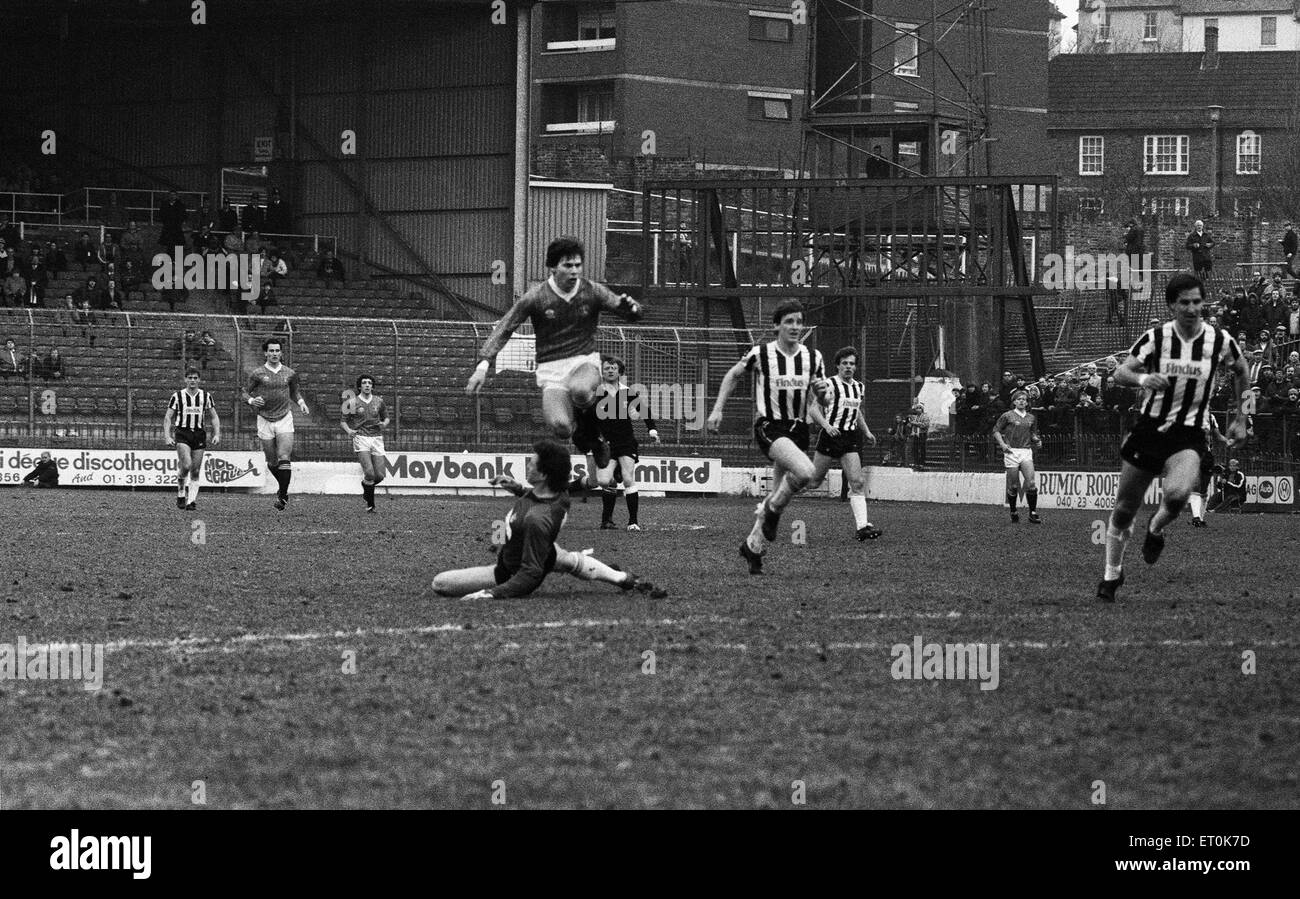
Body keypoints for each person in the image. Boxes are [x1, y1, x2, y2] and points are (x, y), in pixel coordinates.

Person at [1096, 273, 1249, 603]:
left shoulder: (1220, 341)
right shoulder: (1157, 337)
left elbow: (1243, 371)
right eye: (1185, 303)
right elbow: (1120, 372)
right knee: (1123, 510)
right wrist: (1144, 379)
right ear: (1171, 306)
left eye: (1197, 301)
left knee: (1178, 495)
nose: (1193, 308)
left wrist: (1241, 416)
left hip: (1189, 433)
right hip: (1149, 429)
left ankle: (1155, 527)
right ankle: (1112, 573)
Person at [466, 236, 643, 450]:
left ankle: (593, 428)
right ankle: (586, 436)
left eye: (578, 265)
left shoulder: (592, 290)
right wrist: (483, 365)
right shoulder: (536, 297)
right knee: (561, 429)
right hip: (551, 369)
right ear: (552, 268)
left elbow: (626, 310)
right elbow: (505, 327)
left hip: (583, 361)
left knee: (579, 389)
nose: (574, 271)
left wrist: (633, 308)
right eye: (568, 265)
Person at [431, 439, 666, 600]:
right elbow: (550, 494)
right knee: (562, 558)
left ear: (543, 474)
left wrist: (493, 593)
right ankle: (623, 578)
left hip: (510, 570)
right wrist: (516, 488)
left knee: (440, 584)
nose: (528, 465)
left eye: (531, 463)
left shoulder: (538, 520)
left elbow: (530, 575)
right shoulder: (556, 492)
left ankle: (620, 577)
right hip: (542, 550)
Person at [707, 300, 828, 575]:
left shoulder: (813, 357)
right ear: (777, 326)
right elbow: (732, 375)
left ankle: (753, 547)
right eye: (789, 321)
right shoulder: (761, 353)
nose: (795, 327)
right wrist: (717, 410)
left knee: (779, 494)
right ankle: (770, 511)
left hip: (798, 430)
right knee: (807, 473)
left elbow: (823, 398)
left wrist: (824, 394)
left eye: (799, 321)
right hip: (770, 427)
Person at [805, 346, 882, 540]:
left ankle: (862, 527)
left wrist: (866, 431)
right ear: (838, 365)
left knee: (857, 482)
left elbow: (856, 412)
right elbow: (814, 410)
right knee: (814, 483)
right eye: (845, 363)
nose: (848, 367)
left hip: (850, 438)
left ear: (856, 367)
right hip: (831, 436)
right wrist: (826, 425)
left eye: (852, 364)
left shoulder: (859, 387)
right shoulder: (829, 385)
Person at [589, 355, 659, 530]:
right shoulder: (595, 393)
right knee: (605, 481)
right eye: (607, 368)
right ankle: (607, 520)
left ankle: (633, 522)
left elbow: (645, 411)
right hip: (605, 444)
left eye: (613, 368)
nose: (610, 370)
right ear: (602, 372)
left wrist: (652, 430)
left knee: (628, 479)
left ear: (619, 371)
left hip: (626, 441)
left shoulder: (627, 392)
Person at [242, 338, 310, 510]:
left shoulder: (289, 373)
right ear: (265, 353)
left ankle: (283, 495)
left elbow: (295, 392)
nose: (274, 354)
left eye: (277, 351)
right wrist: (251, 400)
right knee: (272, 461)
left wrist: (301, 402)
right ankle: (284, 488)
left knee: (284, 456)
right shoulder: (257, 373)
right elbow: (243, 392)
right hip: (264, 419)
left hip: (285, 417)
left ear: (281, 353)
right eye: (271, 351)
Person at [164, 368, 221, 511]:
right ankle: (181, 492)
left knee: (195, 470)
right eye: (190, 377)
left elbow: (214, 416)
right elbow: (168, 417)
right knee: (187, 465)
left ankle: (191, 501)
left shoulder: (206, 396)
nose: (192, 380)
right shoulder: (177, 396)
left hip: (199, 434)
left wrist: (217, 434)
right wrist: (167, 435)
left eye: (195, 378)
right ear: (185, 379)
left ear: (199, 380)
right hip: (182, 433)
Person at [341, 374, 389, 513]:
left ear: (372, 386)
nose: (367, 385)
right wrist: (349, 430)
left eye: (369, 383)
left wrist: (383, 424)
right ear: (359, 386)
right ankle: (371, 504)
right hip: (361, 437)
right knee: (369, 472)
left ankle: (366, 487)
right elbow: (343, 421)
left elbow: (386, 418)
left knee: (379, 476)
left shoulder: (379, 401)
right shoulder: (351, 402)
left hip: (377, 438)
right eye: (364, 383)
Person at [993, 390, 1043, 523]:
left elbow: (1032, 434)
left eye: (1024, 399)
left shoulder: (1031, 418)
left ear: (1027, 402)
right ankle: (1013, 510)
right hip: (1011, 452)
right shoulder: (1007, 416)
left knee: (1031, 483)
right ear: (1014, 401)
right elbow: (996, 431)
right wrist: (1003, 444)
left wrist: (1037, 440)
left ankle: (1033, 512)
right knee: (1014, 486)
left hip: (1026, 451)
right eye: (1019, 399)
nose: (1022, 401)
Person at [1189, 416, 1229, 528]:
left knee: (1203, 491)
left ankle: (1200, 519)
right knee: (1196, 487)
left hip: (1207, 456)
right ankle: (1196, 518)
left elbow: (1217, 435)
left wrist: (1228, 441)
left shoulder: (1211, 417)